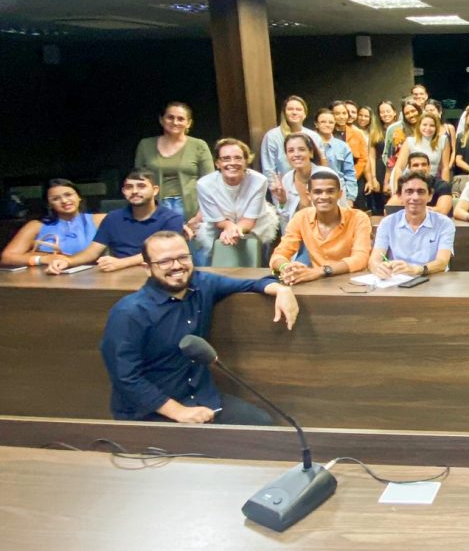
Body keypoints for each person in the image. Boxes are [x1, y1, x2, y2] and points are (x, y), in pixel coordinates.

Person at [100, 230, 298, 424]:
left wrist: (281, 289)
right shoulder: (129, 313)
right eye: (165, 261)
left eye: (183, 257)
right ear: (147, 268)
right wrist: (178, 412)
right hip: (151, 413)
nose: (177, 266)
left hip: (203, 399)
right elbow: (126, 378)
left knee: (262, 426)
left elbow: (251, 284)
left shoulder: (202, 284)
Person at [46, 170, 186, 274]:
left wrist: (122, 263)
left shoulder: (171, 218)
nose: (134, 191)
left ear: (155, 190)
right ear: (123, 191)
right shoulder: (113, 218)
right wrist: (67, 261)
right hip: (119, 277)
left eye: (141, 186)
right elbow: (92, 252)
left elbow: (161, 252)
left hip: (160, 274)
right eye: (129, 187)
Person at [269, 171, 371, 285]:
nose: (324, 197)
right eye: (317, 192)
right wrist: (286, 267)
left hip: (353, 284)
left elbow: (360, 259)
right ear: (309, 195)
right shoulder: (301, 217)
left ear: (340, 194)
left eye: (330, 191)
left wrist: (320, 271)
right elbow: (279, 254)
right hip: (318, 283)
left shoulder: (358, 218)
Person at [192, 138, 278, 266]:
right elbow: (218, 220)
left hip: (256, 224)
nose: (232, 163)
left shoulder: (259, 181)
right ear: (217, 163)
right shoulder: (204, 185)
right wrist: (229, 227)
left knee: (259, 260)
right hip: (218, 225)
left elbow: (249, 220)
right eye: (226, 158)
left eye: (238, 158)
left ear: (246, 161)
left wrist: (235, 230)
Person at [134, 102, 214, 226]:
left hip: (191, 208)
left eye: (181, 119)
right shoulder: (145, 145)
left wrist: (201, 214)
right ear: (161, 120)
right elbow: (137, 180)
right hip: (155, 208)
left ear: (189, 123)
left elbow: (210, 182)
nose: (175, 122)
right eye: (170, 117)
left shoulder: (199, 145)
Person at [370, 171, 456, 278]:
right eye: (409, 192)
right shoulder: (387, 223)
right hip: (397, 280)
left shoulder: (444, 224)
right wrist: (378, 268)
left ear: (430, 196)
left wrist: (416, 269)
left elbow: (442, 262)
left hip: (433, 279)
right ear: (399, 196)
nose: (415, 197)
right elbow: (374, 260)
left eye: (421, 192)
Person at [1, 179, 105, 267]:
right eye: (55, 199)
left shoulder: (99, 219)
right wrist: (41, 259)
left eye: (68, 195)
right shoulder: (36, 226)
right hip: (47, 277)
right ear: (49, 204)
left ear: (79, 196)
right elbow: (7, 258)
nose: (64, 201)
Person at [271, 132, 340, 224]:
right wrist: (282, 201)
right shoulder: (287, 179)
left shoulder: (327, 175)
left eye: (301, 149)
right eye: (291, 151)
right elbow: (285, 217)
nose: (296, 154)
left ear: (311, 152)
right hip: (297, 230)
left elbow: (341, 210)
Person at [390, 113, 452, 194]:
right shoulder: (410, 141)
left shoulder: (443, 140)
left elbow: (445, 168)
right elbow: (399, 167)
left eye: (432, 125)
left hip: (431, 182)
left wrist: (445, 189)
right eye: (424, 125)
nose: (428, 128)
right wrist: (397, 190)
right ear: (419, 126)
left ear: (436, 127)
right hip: (410, 182)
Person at [310, 107, 358, 205]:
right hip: (316, 191)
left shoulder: (343, 146)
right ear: (316, 124)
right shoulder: (310, 145)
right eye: (323, 122)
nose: (327, 125)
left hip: (339, 192)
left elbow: (350, 174)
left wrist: (350, 198)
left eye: (331, 122)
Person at [261, 95, 315, 178]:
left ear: (305, 114)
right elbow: (268, 169)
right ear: (284, 113)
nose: (294, 112)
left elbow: (319, 164)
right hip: (282, 184)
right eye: (290, 109)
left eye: (298, 109)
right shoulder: (272, 136)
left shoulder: (314, 136)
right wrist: (275, 184)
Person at [389, 151, 453, 216]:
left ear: (429, 167)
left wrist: (413, 209)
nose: (420, 168)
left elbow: (442, 211)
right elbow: (389, 209)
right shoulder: (405, 185)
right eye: (415, 165)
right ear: (409, 168)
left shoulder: (442, 186)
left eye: (424, 165)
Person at [331, 101, 369, 201]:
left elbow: (363, 158)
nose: (341, 117)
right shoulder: (326, 132)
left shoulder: (357, 133)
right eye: (337, 114)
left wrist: (353, 175)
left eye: (344, 113)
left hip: (354, 177)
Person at [357, 104, 388, 213]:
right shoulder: (355, 132)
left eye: (366, 116)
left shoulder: (374, 132)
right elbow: (370, 156)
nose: (363, 118)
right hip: (362, 170)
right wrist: (372, 178)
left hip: (379, 169)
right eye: (360, 115)